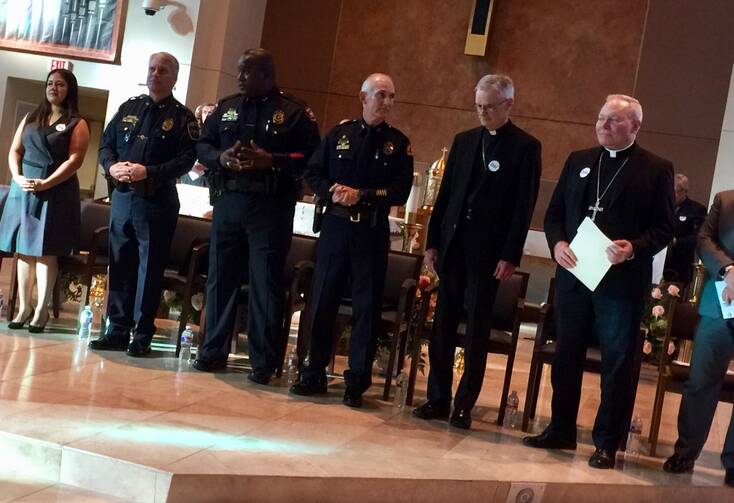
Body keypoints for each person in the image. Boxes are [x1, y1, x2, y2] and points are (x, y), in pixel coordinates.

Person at [523, 95, 675, 469]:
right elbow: (555, 212)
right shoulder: (579, 161)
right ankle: (560, 429)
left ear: (635, 127)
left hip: (620, 283)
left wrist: (634, 248)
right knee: (566, 356)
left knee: (617, 364)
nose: (603, 125)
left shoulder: (656, 169)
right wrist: (557, 243)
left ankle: (607, 442)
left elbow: (665, 228)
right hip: (575, 277)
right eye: (601, 118)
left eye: (613, 120)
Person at [412, 74, 541, 429]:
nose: (482, 113)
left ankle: (464, 403)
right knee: (442, 325)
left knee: (475, 331)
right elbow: (446, 196)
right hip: (453, 246)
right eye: (479, 106)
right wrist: (432, 242)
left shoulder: (526, 147)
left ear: (508, 104)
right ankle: (437, 397)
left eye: (490, 107)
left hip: (489, 254)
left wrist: (510, 254)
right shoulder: (465, 141)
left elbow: (523, 206)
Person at [193, 48, 320, 384]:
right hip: (229, 200)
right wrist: (222, 158)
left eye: (245, 72)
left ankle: (262, 363)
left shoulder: (293, 112)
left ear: (266, 75)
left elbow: (310, 157)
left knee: (265, 282)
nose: (238, 78)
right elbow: (203, 145)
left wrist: (273, 160)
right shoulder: (226, 107)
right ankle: (213, 351)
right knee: (221, 277)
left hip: (270, 207)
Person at [289, 73, 413, 408]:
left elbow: (400, 189)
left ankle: (356, 381)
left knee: (366, 308)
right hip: (336, 229)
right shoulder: (339, 135)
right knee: (323, 301)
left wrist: (364, 195)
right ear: (363, 97)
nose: (386, 103)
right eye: (381, 95)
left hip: (370, 234)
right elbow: (313, 172)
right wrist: (333, 191)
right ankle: (313, 371)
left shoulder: (397, 144)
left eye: (391, 97)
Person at [89, 52, 197, 356]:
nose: (156, 74)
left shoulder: (182, 117)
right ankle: (117, 329)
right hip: (123, 198)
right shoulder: (129, 107)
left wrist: (148, 171)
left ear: (174, 78)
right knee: (120, 263)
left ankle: (142, 333)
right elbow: (106, 144)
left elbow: (187, 160)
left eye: (163, 70)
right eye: (152, 68)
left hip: (155, 201)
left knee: (149, 269)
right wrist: (111, 166)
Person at [0, 69, 90, 332]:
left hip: (55, 190)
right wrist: (16, 176)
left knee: (45, 251)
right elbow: (15, 150)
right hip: (24, 188)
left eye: (60, 84)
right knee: (24, 250)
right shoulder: (32, 116)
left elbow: (75, 160)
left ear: (69, 89)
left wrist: (46, 183)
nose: (53, 88)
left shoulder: (77, 122)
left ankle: (41, 310)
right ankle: (24, 307)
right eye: (50, 83)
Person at [663, 190, 734, 488]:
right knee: (701, 380)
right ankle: (686, 451)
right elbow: (704, 240)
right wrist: (729, 270)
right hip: (722, 302)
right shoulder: (726, 200)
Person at [662, 173, 707, 284]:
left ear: (684, 191)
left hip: (681, 263)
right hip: (659, 262)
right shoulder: (662, 206)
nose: (671, 195)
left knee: (672, 300)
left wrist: (677, 241)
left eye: (675, 191)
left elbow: (699, 237)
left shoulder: (696, 209)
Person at [180, 103, 216, 187]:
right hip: (191, 168)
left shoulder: (216, 133)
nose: (207, 115)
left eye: (210, 112)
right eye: (205, 112)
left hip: (208, 170)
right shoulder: (195, 131)